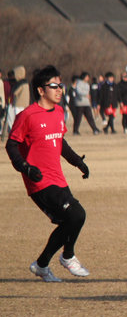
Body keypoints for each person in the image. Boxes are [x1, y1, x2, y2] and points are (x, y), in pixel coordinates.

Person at [5, 65, 91, 282]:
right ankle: (67, 256)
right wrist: (25, 167)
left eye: (60, 85)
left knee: (72, 220)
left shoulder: (59, 112)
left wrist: (77, 162)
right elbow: (11, 145)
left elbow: (60, 142)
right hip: (39, 182)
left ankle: (42, 265)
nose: (59, 89)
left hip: (58, 178)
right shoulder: (27, 115)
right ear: (41, 90)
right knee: (77, 214)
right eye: (54, 86)